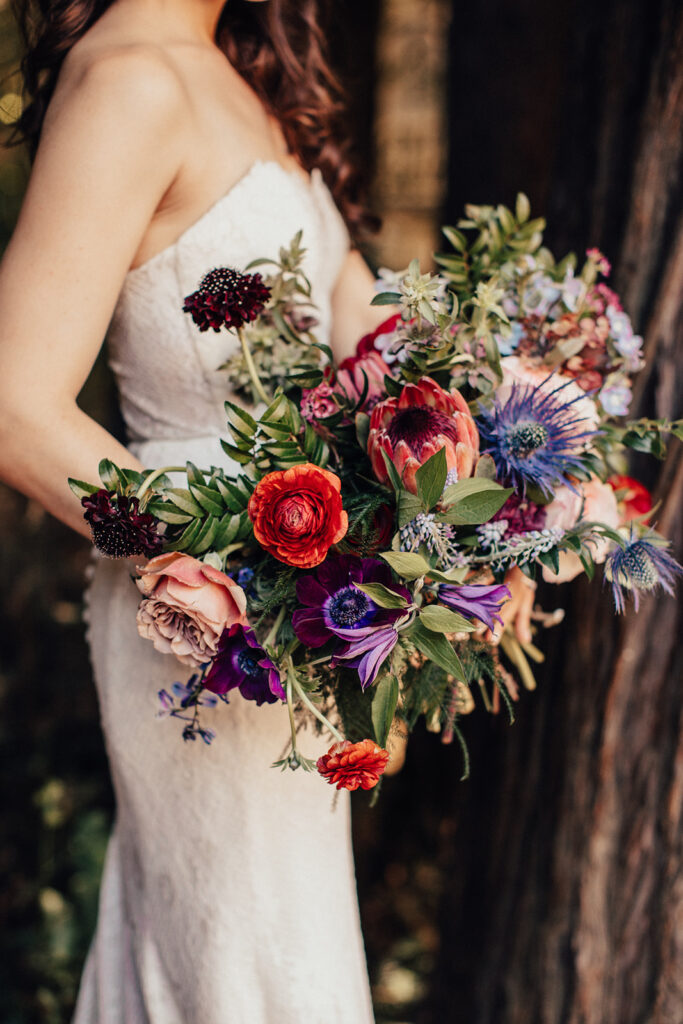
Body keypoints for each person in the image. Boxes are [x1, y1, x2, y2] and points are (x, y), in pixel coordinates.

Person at [0, 0, 534, 1018]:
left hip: (307, 604)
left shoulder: (243, 73)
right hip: (203, 621)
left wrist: (496, 478)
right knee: (238, 963)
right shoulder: (129, 81)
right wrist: (222, 558)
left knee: (269, 951)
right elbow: (13, 406)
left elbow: (370, 353)